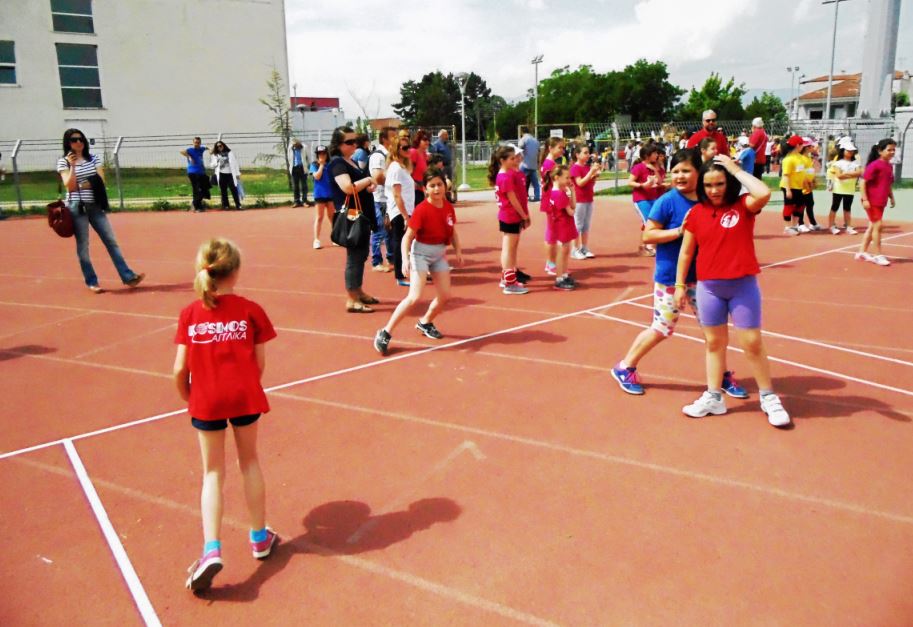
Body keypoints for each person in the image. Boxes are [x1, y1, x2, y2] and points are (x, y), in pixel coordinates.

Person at [173, 237, 279, 591]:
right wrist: (245, 387)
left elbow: (178, 370)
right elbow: (259, 364)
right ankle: (259, 538)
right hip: (244, 395)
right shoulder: (251, 310)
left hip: (206, 399)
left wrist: (191, 397)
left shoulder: (190, 314)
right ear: (236, 271)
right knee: (249, 462)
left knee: (212, 472)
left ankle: (211, 550)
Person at [610, 148, 748, 399]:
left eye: (686, 171)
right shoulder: (667, 201)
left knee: (714, 332)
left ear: (699, 172)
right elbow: (648, 235)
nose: (679, 176)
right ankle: (625, 366)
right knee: (662, 328)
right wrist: (678, 232)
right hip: (671, 278)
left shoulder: (708, 198)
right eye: (675, 171)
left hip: (705, 278)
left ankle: (721, 374)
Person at [673, 155, 791, 428]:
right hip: (709, 288)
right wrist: (679, 285)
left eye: (720, 183)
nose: (714, 190)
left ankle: (768, 397)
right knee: (714, 343)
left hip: (742, 286)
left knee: (752, 342)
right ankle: (714, 397)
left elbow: (763, 192)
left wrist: (735, 169)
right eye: (708, 185)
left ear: (729, 183)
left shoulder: (743, 206)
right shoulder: (696, 213)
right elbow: (686, 253)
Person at [373, 168, 462, 355]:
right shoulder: (422, 210)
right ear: (425, 189)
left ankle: (425, 322)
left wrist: (458, 251)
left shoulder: (448, 207)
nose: (437, 189)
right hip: (420, 254)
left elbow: (453, 231)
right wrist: (405, 259)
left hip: (439, 254)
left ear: (445, 186)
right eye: (432, 186)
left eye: (439, 185)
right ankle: (385, 332)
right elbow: (407, 238)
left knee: (445, 295)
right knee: (414, 297)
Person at [56, 128, 144, 293]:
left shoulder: (94, 158)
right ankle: (92, 281)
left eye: (81, 139)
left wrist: (81, 184)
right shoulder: (63, 162)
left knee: (111, 240)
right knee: (83, 245)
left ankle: (128, 276)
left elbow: (101, 180)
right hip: (77, 207)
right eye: (74, 140)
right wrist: (73, 167)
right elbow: (69, 185)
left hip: (95, 205)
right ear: (68, 143)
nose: (79, 142)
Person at [328, 126, 379, 311]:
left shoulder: (351, 161)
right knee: (355, 257)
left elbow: (358, 186)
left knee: (361, 255)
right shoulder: (337, 164)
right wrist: (368, 180)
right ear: (338, 144)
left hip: (362, 214)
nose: (354, 145)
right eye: (349, 142)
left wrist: (368, 186)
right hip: (352, 216)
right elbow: (348, 188)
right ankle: (351, 298)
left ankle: (358, 291)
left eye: (355, 141)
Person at [490, 145, 531, 295]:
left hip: (510, 215)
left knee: (511, 247)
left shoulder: (505, 175)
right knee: (508, 248)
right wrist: (524, 215)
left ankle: (507, 277)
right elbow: (513, 199)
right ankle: (509, 282)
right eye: (512, 158)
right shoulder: (505, 177)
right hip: (510, 215)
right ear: (502, 160)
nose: (515, 160)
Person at [856, 138, 897, 266]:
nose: (892, 152)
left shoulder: (889, 166)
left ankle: (862, 252)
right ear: (880, 151)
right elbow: (863, 182)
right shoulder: (874, 165)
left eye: (893, 150)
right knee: (878, 226)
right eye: (889, 150)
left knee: (872, 226)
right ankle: (878, 255)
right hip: (872, 201)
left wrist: (891, 197)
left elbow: (888, 184)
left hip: (881, 201)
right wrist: (865, 199)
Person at [385, 135, 416, 287]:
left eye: (408, 146)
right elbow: (396, 194)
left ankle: (409, 271)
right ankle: (400, 275)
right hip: (399, 212)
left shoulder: (402, 167)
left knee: (406, 242)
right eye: (404, 147)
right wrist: (405, 216)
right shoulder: (396, 168)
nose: (408, 150)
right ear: (396, 150)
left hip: (407, 210)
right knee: (400, 242)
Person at [628, 143, 667, 256]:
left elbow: (659, 182)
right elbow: (630, 182)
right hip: (641, 199)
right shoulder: (639, 167)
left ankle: (644, 246)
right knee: (648, 221)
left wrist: (655, 170)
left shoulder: (656, 168)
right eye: (654, 153)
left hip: (653, 198)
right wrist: (642, 185)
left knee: (654, 221)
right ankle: (648, 246)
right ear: (646, 155)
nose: (656, 155)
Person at [545, 165, 578, 290]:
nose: (569, 180)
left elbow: (572, 206)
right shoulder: (559, 194)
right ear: (557, 178)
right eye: (566, 178)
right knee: (562, 252)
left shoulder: (558, 192)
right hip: (563, 225)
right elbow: (571, 210)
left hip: (563, 225)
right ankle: (559, 278)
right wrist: (571, 194)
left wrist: (572, 191)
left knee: (565, 251)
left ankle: (564, 275)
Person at [369, 127, 397, 273]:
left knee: (390, 231)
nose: (396, 139)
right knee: (379, 230)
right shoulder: (378, 156)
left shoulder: (391, 155)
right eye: (393, 136)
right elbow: (377, 177)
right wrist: (395, 178)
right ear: (384, 139)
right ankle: (376, 261)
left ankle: (391, 259)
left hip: (390, 198)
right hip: (380, 199)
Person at [539, 137, 566, 275]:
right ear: (550, 148)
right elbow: (554, 184)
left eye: (563, 148)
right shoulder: (549, 164)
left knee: (553, 232)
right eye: (559, 147)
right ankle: (550, 263)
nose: (562, 150)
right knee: (552, 232)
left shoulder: (550, 163)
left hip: (551, 200)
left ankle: (551, 262)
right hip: (551, 201)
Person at [569, 145, 601, 259]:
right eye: (585, 153)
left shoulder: (587, 167)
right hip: (579, 200)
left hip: (589, 199)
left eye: (588, 153)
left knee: (586, 225)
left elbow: (590, 183)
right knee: (578, 225)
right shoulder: (575, 168)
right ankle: (574, 249)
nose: (588, 155)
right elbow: (580, 183)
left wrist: (594, 176)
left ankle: (584, 248)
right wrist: (591, 172)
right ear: (577, 155)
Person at [826, 141, 861, 235]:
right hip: (839, 189)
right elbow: (839, 176)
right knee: (835, 207)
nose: (850, 152)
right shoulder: (838, 163)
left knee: (847, 208)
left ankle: (848, 227)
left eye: (852, 150)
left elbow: (859, 173)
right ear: (843, 151)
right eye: (848, 150)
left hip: (850, 189)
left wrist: (846, 174)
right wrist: (852, 174)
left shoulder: (855, 163)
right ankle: (831, 226)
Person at [779, 135, 806, 236]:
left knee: (800, 206)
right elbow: (786, 176)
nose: (803, 146)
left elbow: (801, 172)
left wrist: (805, 183)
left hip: (799, 187)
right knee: (789, 206)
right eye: (802, 145)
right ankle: (787, 228)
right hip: (789, 186)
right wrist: (788, 190)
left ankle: (794, 226)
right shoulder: (788, 159)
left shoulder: (800, 157)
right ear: (797, 145)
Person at [309, 145, 333, 249]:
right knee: (319, 217)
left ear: (327, 154)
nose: (322, 155)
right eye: (320, 153)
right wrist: (321, 165)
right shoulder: (314, 165)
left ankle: (335, 238)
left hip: (330, 194)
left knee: (332, 217)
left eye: (324, 153)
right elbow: (317, 176)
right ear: (317, 155)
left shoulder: (331, 165)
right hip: (319, 194)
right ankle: (316, 240)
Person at [796, 138, 822, 232]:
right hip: (802, 187)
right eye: (812, 146)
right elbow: (800, 174)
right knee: (801, 205)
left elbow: (810, 171)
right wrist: (806, 184)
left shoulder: (808, 158)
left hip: (808, 187)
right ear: (807, 147)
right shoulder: (800, 159)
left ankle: (813, 223)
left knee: (810, 204)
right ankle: (800, 223)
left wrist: (813, 181)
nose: (813, 147)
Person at [210, 141, 242, 210]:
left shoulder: (230, 153)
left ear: (223, 145)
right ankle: (226, 206)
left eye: (220, 146)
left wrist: (237, 174)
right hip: (221, 174)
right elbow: (212, 165)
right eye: (217, 147)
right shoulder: (215, 155)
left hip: (230, 174)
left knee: (234, 190)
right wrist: (217, 161)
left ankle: (238, 205)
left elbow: (235, 164)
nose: (219, 147)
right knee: (223, 191)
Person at [180, 137, 209, 212]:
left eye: (198, 142)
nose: (197, 144)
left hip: (201, 172)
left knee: (205, 188)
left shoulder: (201, 149)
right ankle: (197, 206)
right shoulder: (190, 150)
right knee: (197, 189)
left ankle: (195, 204)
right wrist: (189, 156)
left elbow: (207, 147)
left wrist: (210, 149)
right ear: (193, 142)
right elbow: (181, 151)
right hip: (192, 172)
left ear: (200, 143)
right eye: (195, 142)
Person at [518, 126, 541, 202]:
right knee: (535, 183)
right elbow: (539, 152)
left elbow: (519, 149)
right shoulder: (535, 140)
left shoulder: (524, 139)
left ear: (522, 132)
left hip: (525, 164)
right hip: (533, 165)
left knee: (520, 181)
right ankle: (537, 196)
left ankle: (521, 196)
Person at [408, 129, 431, 206]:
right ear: (418, 140)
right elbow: (408, 172)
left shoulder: (424, 154)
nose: (427, 142)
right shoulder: (413, 152)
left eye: (428, 140)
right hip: (413, 190)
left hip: (421, 189)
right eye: (424, 140)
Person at [288, 139, 309, 207]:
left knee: (304, 186)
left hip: (302, 168)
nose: (295, 146)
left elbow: (308, 157)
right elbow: (289, 158)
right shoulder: (290, 148)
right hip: (294, 168)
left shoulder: (304, 147)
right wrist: (291, 165)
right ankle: (296, 201)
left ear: (299, 143)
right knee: (295, 186)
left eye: (296, 144)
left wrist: (308, 167)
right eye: (294, 144)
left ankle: (304, 201)